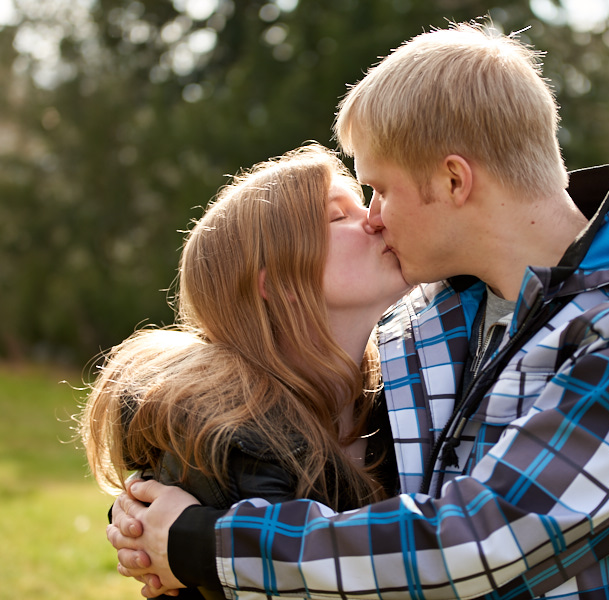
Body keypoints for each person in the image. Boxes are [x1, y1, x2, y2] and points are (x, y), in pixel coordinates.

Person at [109, 23, 609, 599]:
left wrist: (209, 544)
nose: (375, 217)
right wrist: (152, 502)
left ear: (453, 180)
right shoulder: (438, 310)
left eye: (380, 189)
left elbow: (482, 539)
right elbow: (283, 407)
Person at [79, 143, 410, 599]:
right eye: (338, 217)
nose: (375, 218)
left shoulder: (410, 393)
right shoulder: (230, 445)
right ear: (276, 282)